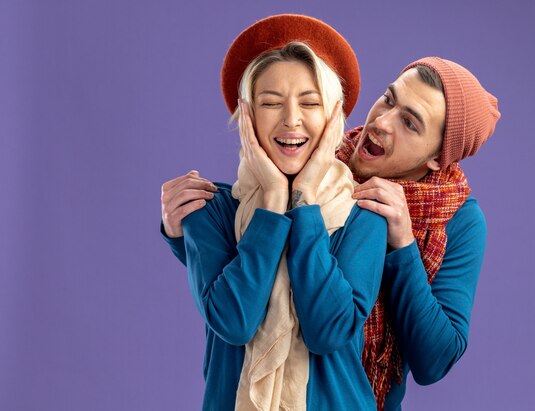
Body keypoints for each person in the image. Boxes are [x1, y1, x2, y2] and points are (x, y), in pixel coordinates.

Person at [162, 19, 501, 411]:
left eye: (409, 123)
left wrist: (404, 246)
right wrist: (184, 229)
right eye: (389, 99)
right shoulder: (309, 151)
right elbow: (240, 267)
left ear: (435, 159)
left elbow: (434, 358)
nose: (382, 122)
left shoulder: (443, 219)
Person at [162, 14, 387, 411]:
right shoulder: (208, 210)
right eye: (271, 103)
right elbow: (234, 320)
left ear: (333, 117)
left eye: (310, 103)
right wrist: (271, 201)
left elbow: (328, 331)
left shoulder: (364, 217)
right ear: (246, 115)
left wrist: (302, 200)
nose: (291, 119)